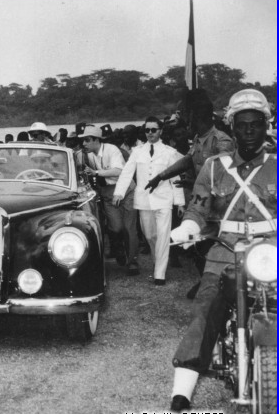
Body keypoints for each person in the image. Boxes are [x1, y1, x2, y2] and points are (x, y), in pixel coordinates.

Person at [165, 89, 276, 414]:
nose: (250, 131)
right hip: (225, 252)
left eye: (257, 124)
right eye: (243, 125)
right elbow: (198, 208)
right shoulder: (214, 168)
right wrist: (187, 227)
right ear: (232, 127)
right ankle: (181, 396)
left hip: (271, 253)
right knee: (205, 309)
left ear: (267, 126)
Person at [145, 91, 235, 299]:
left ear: (197, 118)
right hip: (202, 206)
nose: (186, 124)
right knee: (198, 246)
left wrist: (194, 182)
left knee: (215, 248)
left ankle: (217, 287)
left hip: (219, 208)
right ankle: (207, 282)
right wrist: (161, 175)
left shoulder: (222, 142)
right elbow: (187, 160)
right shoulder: (198, 139)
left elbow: (224, 178)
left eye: (189, 118)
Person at [113, 116, 185, 285]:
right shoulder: (137, 151)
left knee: (163, 235)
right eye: (147, 130)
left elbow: (176, 177)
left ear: (160, 131)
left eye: (153, 130)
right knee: (150, 235)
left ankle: (160, 273)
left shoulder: (169, 152)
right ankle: (157, 258)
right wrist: (119, 193)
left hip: (164, 199)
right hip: (144, 200)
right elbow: (127, 172)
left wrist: (180, 202)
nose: (150, 133)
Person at [80, 126, 139, 276]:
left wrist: (96, 172)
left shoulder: (112, 150)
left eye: (87, 140)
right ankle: (118, 247)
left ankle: (132, 262)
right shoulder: (90, 155)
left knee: (129, 227)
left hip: (125, 190)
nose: (84, 144)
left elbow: (119, 171)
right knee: (116, 227)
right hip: (108, 193)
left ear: (96, 140)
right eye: (83, 141)